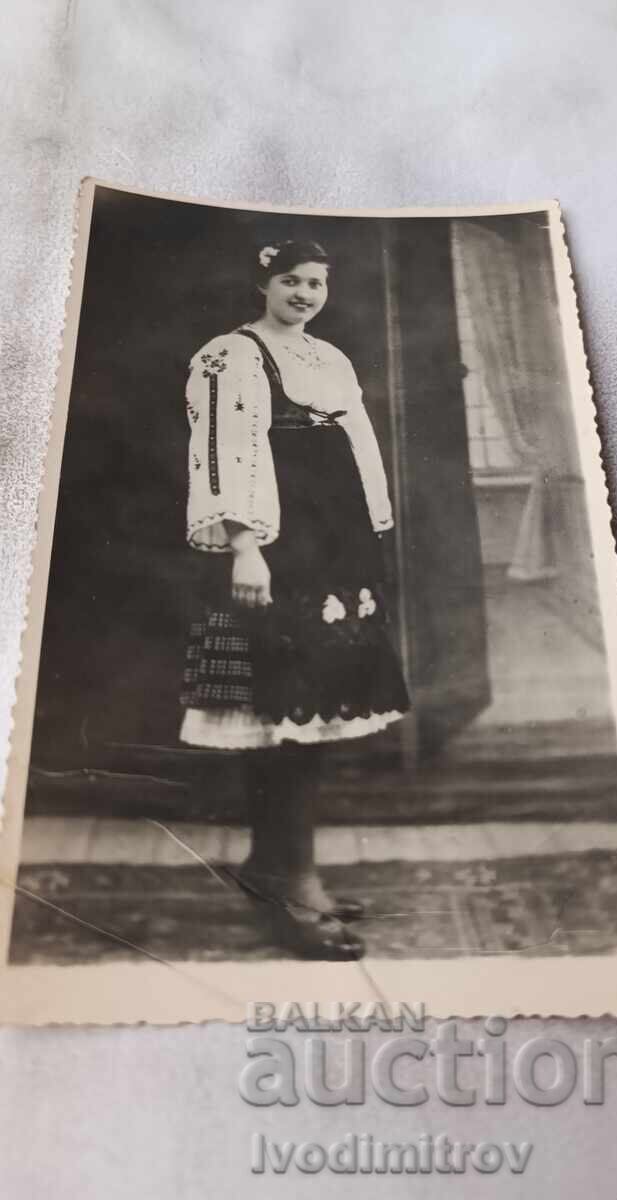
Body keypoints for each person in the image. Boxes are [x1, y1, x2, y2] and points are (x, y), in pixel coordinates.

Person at [180, 238, 410, 959]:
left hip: (333, 546)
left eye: (316, 283)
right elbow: (221, 454)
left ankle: (270, 867)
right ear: (263, 284)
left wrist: (367, 539)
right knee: (280, 713)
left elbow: (358, 450)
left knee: (312, 709)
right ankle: (296, 883)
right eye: (290, 280)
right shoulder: (231, 355)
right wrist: (245, 548)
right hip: (275, 547)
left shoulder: (329, 358)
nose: (305, 294)